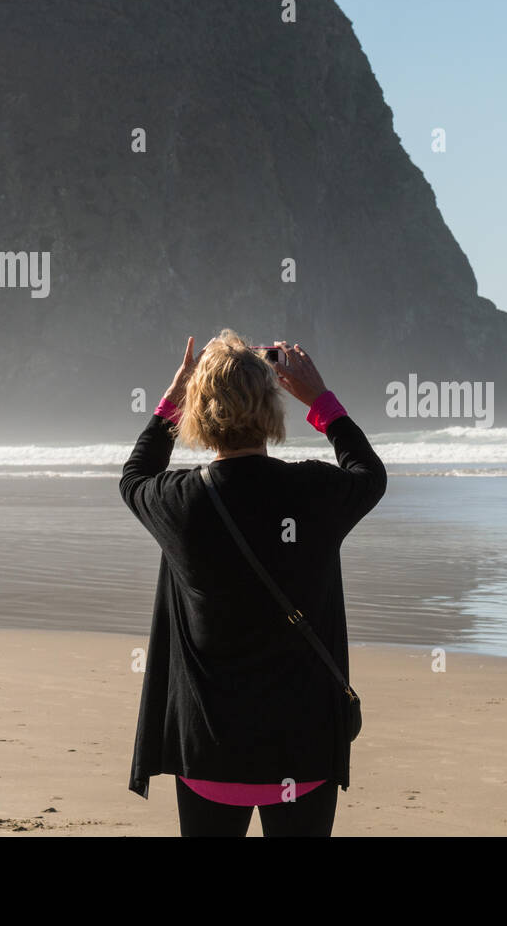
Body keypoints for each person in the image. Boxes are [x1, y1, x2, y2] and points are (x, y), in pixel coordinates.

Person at [120, 331, 386, 836]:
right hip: (302, 750)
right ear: (273, 407)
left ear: (198, 410)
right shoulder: (315, 490)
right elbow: (369, 474)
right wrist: (321, 401)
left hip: (210, 753)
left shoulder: (178, 502)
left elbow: (134, 475)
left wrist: (174, 398)